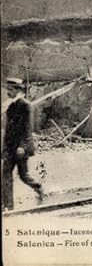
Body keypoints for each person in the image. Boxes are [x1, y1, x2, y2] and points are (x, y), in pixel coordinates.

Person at [2, 78, 44, 211]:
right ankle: (8, 205)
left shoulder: (26, 105)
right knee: (5, 175)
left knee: (23, 175)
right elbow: (8, 130)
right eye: (8, 89)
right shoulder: (11, 106)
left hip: (21, 148)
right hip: (10, 147)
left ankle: (38, 187)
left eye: (11, 89)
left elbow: (27, 129)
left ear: (17, 90)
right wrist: (4, 148)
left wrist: (22, 147)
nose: (8, 92)